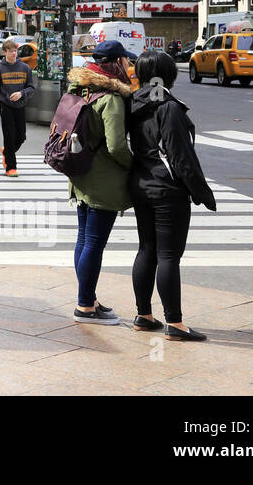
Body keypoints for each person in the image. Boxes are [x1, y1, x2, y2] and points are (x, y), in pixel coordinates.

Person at [128, 50, 218, 341]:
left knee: (146, 250)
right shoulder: (168, 108)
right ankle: (175, 324)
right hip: (167, 190)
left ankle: (144, 315)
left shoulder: (134, 103)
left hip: (141, 186)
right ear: (168, 75)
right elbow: (182, 158)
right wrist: (202, 192)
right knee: (168, 256)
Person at [65, 40, 135, 325]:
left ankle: (89, 298)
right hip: (102, 180)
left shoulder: (78, 87)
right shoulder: (111, 98)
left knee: (84, 239)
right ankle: (84, 306)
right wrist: (135, 166)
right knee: (94, 241)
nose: (129, 67)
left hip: (79, 171)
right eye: (126, 62)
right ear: (116, 63)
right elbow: (117, 146)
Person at [0, 38, 35, 177]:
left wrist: (22, 93)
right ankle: (11, 167)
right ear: (4, 52)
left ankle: (7, 151)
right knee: (9, 136)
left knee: (21, 136)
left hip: (20, 105)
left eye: (15, 51)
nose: (13, 54)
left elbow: (31, 87)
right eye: (10, 51)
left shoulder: (25, 68)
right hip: (6, 106)